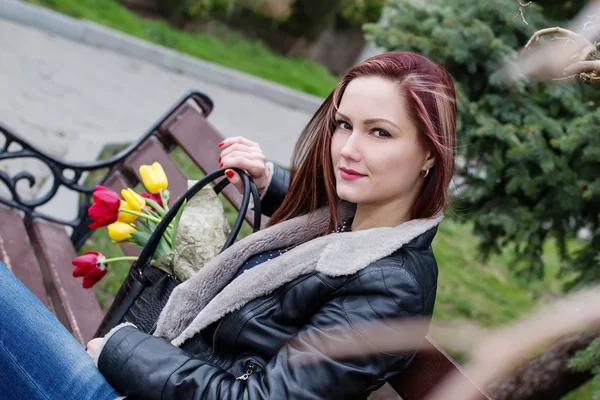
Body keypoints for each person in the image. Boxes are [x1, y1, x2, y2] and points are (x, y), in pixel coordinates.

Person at [0, 51, 456, 399]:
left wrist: (122, 351)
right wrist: (270, 180)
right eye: (343, 125)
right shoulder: (352, 227)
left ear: (430, 154)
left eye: (380, 132)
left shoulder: (391, 289)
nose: (348, 150)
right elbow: (325, 221)